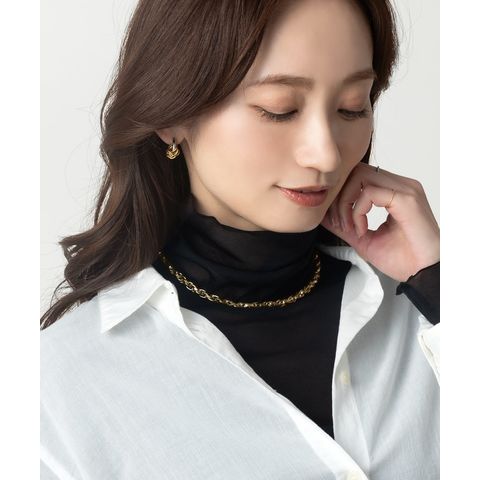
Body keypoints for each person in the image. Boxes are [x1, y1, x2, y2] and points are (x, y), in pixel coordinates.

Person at [40, 0, 440, 478]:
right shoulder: (58, 390)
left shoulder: (427, 309)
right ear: (172, 116)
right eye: (279, 110)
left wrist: (441, 285)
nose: (327, 154)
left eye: (351, 107)